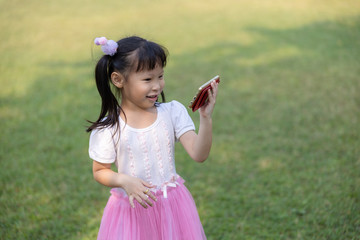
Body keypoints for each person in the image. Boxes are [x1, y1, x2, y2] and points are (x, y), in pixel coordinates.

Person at [87, 36, 218, 240]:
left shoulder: (172, 112)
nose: (157, 86)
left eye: (160, 76)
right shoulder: (110, 127)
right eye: (148, 79)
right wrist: (123, 180)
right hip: (130, 212)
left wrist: (205, 118)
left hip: (172, 208)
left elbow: (199, 154)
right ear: (118, 79)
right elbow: (99, 171)